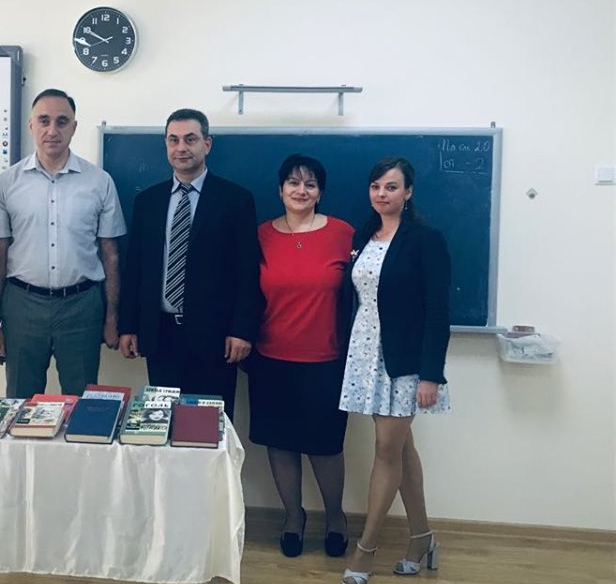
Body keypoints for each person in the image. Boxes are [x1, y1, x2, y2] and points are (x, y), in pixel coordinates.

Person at [339, 157, 452, 584]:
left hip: (404, 361)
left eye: (391, 187)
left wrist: (430, 375)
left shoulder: (425, 239)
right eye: (376, 187)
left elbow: (438, 311)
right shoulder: (363, 235)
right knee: (401, 449)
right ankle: (421, 538)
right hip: (367, 354)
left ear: (408, 192)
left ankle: (365, 549)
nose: (382, 194)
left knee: (387, 451)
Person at [118, 108, 260, 419]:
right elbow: (135, 268)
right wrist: (127, 325)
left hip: (215, 338)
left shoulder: (235, 200)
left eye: (190, 139)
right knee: (162, 425)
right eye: (173, 140)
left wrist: (242, 330)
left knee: (208, 428)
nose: (181, 147)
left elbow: (248, 271)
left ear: (207, 144)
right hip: (159, 336)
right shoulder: (148, 202)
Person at [0, 89, 126, 398]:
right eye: (44, 120)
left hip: (82, 307)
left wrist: (112, 316)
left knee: (81, 402)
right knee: (21, 402)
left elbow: (110, 254)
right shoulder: (7, 183)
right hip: (22, 305)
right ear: (31, 125)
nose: (52, 130)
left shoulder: (99, 181)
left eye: (62, 122)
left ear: (74, 127)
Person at [247, 154, 353, 558]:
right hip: (270, 358)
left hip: (326, 360)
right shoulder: (261, 235)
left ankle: (336, 517)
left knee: (325, 446)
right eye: (293, 182)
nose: (301, 190)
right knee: (280, 444)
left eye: (310, 184)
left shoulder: (343, 233)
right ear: (280, 190)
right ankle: (293, 517)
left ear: (320, 192)